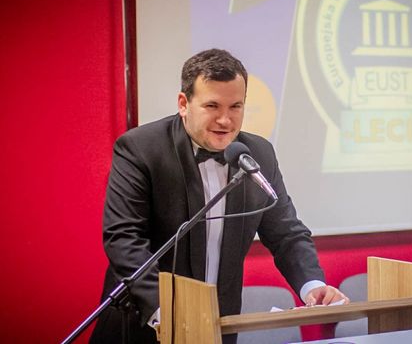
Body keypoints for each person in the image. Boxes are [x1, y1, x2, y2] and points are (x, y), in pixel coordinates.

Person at [90, 49, 349, 344]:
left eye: (235, 106)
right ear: (183, 104)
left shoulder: (258, 154)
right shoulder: (140, 149)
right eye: (212, 106)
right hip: (145, 326)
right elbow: (124, 238)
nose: (225, 120)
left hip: (218, 326)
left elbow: (286, 233)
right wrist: (167, 313)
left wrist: (312, 285)